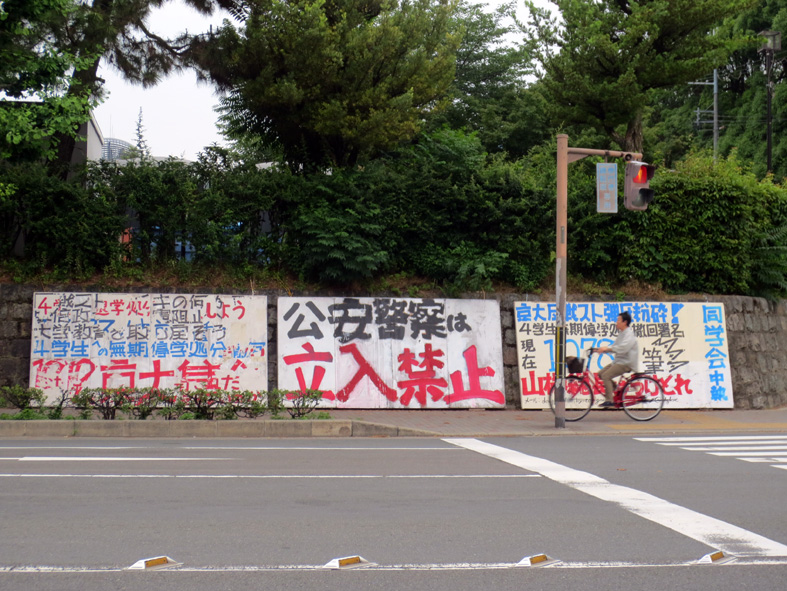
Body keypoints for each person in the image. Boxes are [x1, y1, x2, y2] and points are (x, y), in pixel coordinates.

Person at [594, 311, 639, 408]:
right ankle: (614, 389)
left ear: (625, 322)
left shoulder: (629, 334)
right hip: (619, 361)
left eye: (618, 320)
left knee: (606, 376)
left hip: (626, 363)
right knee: (601, 374)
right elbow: (614, 347)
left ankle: (609, 400)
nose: (616, 322)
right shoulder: (622, 333)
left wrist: (607, 349)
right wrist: (600, 349)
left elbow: (623, 348)